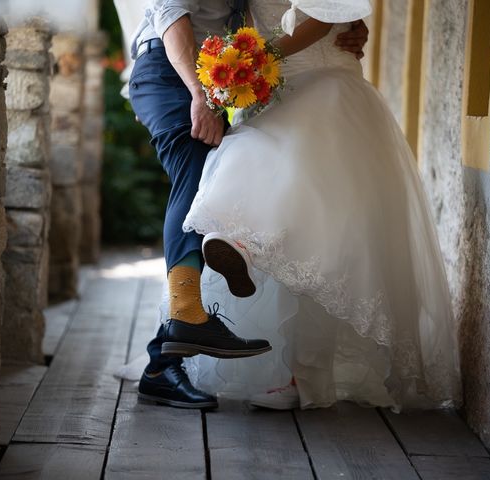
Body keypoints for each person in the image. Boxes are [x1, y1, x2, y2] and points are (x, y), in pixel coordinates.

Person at [183, 0, 463, 411]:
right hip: (270, 88)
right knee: (264, 176)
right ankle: (241, 250)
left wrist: (259, 56)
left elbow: (327, 13)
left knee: (323, 236)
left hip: (323, 82)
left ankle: (303, 372)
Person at [125, 0, 369, 409]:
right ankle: (186, 313)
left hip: (217, 79)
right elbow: (170, 15)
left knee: (229, 176)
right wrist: (198, 95)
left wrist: (344, 21)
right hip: (174, 73)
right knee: (195, 169)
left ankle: (161, 365)